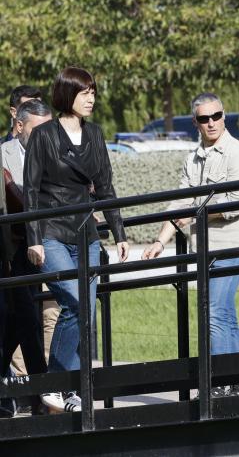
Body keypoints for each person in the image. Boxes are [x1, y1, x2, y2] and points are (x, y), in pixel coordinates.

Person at [23, 67, 129, 413]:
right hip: (52, 231)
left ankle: (71, 391)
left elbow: (106, 186)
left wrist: (119, 232)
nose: (91, 98)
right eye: (85, 92)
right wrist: (34, 239)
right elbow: (31, 190)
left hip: (86, 234)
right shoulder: (44, 136)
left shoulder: (95, 134)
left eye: (93, 92)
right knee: (76, 302)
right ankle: (54, 384)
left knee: (86, 311)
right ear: (67, 94)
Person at [142, 92, 239, 397]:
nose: (211, 123)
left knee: (214, 310)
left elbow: (237, 203)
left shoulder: (237, 153)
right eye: (204, 118)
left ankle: (217, 384)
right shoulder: (193, 158)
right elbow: (180, 203)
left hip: (233, 246)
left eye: (216, 116)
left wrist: (197, 211)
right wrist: (160, 241)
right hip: (204, 248)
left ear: (224, 115)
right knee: (224, 313)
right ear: (196, 122)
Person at [0, 99, 52, 415]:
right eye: (38, 130)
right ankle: (41, 395)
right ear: (19, 126)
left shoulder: (54, 154)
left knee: (21, 321)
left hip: (42, 249)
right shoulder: (3, 156)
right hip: (13, 252)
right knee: (26, 320)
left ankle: (37, 395)